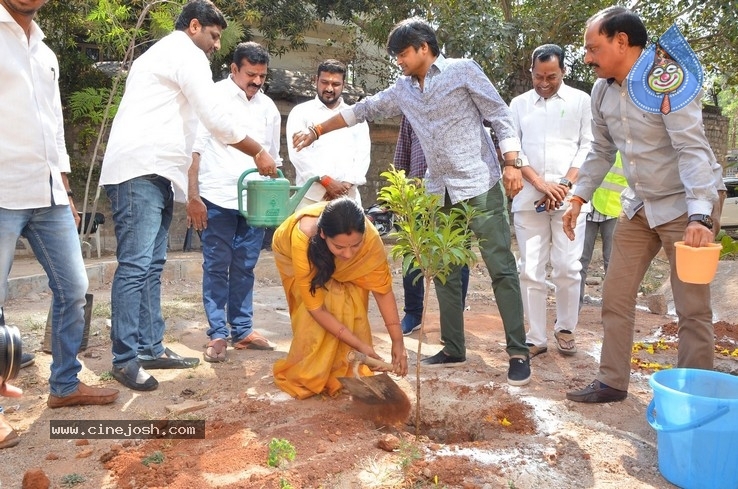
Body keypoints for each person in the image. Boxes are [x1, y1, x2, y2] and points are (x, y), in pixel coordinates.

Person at [293, 17, 532, 385]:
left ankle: (517, 351)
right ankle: (453, 347)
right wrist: (317, 129)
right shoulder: (403, 89)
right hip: (440, 190)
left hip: (479, 184)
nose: (398, 62)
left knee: (500, 267)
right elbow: (364, 109)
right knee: (446, 271)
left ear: (423, 47)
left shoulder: (463, 71)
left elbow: (500, 115)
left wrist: (513, 160)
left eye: (402, 54)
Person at [100, 0, 278, 391]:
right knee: (135, 266)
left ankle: (149, 347)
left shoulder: (167, 54)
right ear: (194, 26)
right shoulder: (185, 52)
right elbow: (215, 119)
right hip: (140, 170)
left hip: (155, 172)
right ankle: (125, 358)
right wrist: (258, 151)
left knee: (150, 265)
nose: (216, 45)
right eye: (214, 36)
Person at [563, 6, 724, 403]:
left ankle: (694, 396)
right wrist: (578, 195)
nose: (587, 58)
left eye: (593, 48)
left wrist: (701, 215)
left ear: (621, 41)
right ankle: (612, 381)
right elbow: (601, 150)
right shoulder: (602, 90)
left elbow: (692, 149)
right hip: (639, 205)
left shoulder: (665, 79)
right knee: (616, 296)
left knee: (691, 307)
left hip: (687, 204)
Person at [0, 0, 120, 427]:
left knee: (74, 287)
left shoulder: (46, 53)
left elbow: (53, 125)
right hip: (2, 188)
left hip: (48, 191)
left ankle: (65, 386)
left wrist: (65, 189)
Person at [186, 42, 281, 362]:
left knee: (245, 266)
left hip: (253, 200)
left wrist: (272, 203)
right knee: (216, 266)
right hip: (217, 197)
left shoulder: (268, 107)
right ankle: (217, 333)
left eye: (262, 76)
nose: (256, 81)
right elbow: (194, 151)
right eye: (250, 74)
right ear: (234, 69)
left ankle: (242, 329)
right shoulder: (212, 97)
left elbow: (273, 158)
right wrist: (193, 196)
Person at [271, 198, 408, 399]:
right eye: (339, 247)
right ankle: (314, 373)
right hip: (293, 255)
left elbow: (382, 290)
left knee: (352, 305)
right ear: (323, 234)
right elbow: (316, 309)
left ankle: (341, 371)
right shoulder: (303, 237)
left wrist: (398, 342)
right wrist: (360, 346)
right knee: (326, 308)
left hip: (328, 253)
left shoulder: (370, 239)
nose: (348, 254)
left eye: (355, 245)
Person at [509, 44, 593, 357]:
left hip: (570, 198)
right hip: (530, 197)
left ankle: (566, 328)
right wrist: (540, 183)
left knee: (568, 267)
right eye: (538, 76)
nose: (544, 83)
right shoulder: (518, 105)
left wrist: (564, 184)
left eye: (552, 77)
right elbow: (513, 149)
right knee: (530, 269)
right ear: (530, 72)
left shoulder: (581, 101)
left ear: (564, 73)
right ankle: (535, 337)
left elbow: (589, 147)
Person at [393, 116, 470, 335]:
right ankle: (413, 314)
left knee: (457, 254)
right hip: (417, 194)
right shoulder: (411, 107)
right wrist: (399, 194)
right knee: (413, 253)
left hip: (454, 193)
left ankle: (455, 316)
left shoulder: (458, 105)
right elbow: (402, 153)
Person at [285, 59, 371, 208]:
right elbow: (298, 154)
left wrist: (344, 186)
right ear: (316, 80)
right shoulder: (300, 113)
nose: (329, 88)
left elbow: (362, 157)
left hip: (348, 199)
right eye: (325, 82)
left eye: (336, 84)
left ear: (344, 85)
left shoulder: (355, 116)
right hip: (310, 198)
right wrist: (326, 181)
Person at [578, 153, 627, 307]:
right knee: (578, 262)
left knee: (612, 264)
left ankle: (613, 312)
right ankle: (571, 312)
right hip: (585, 207)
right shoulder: (591, 143)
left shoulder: (625, 147)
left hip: (613, 211)